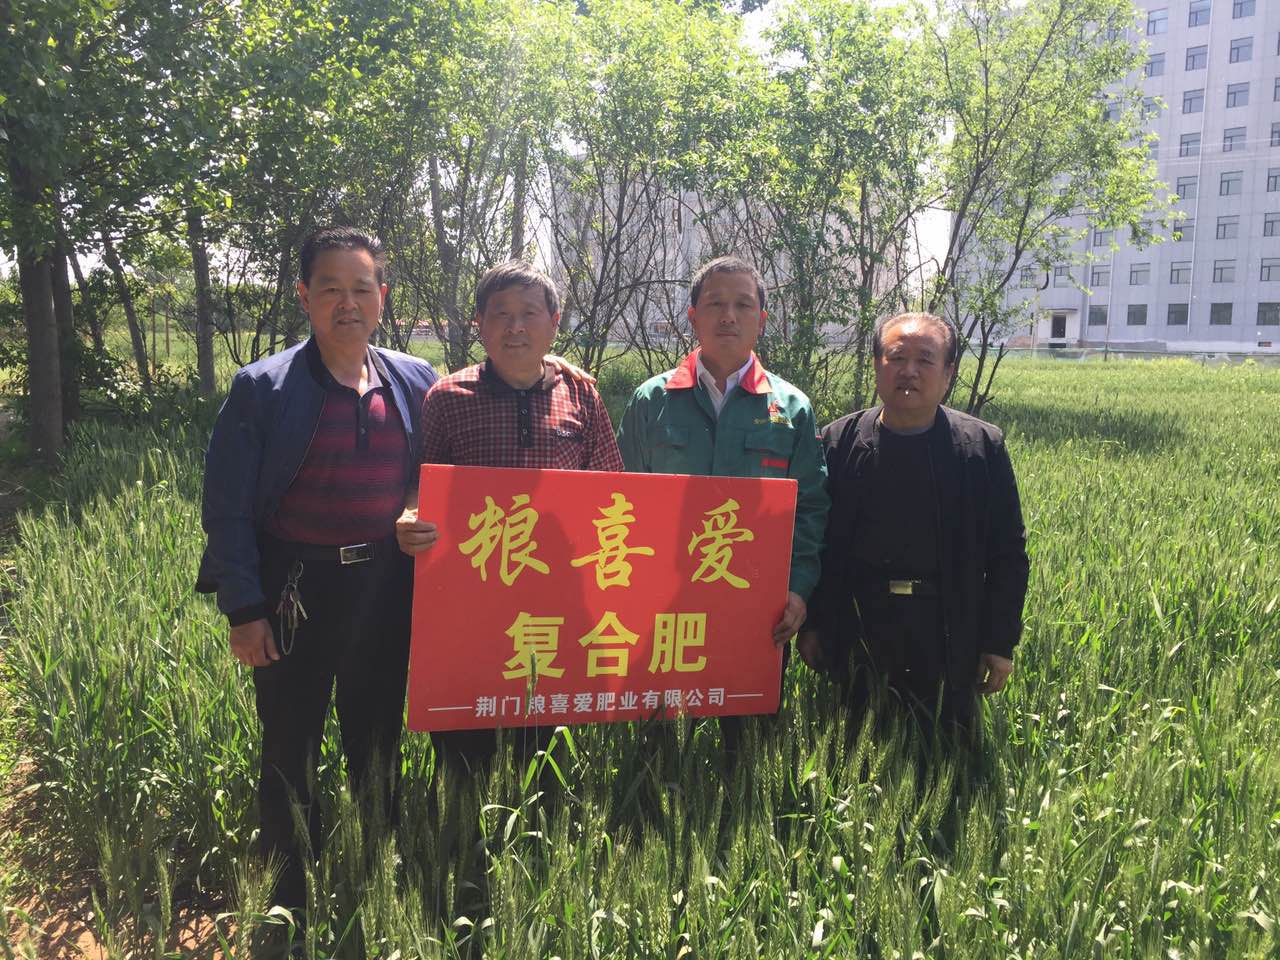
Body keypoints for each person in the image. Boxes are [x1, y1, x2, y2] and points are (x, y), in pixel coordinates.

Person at [196, 226, 439, 911]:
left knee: (378, 742)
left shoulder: (415, 380)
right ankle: (288, 901)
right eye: (330, 288)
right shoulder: (264, 387)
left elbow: (428, 474)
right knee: (290, 747)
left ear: (383, 296)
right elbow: (227, 507)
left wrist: (413, 508)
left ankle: (374, 880)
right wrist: (245, 610)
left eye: (361, 288)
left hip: (382, 590)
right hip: (294, 591)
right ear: (304, 297)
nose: (347, 303)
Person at [395, 259, 625, 769]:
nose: (515, 327)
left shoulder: (581, 394)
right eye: (500, 314)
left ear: (554, 323)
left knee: (545, 748)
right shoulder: (448, 397)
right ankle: (460, 818)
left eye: (529, 313)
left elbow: (611, 491)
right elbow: (421, 484)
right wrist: (412, 517)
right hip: (470, 597)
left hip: (557, 601)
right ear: (479, 323)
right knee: (465, 743)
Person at [614, 255, 830, 748]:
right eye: (715, 304)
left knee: (748, 749)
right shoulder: (652, 401)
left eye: (742, 305)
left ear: (762, 319)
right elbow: (621, 500)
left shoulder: (790, 408)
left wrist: (797, 590)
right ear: (693, 316)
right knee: (660, 747)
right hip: (664, 607)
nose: (728, 316)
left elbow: (810, 509)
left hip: (755, 607)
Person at [799, 311, 1030, 736]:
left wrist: (999, 643)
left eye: (925, 359)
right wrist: (813, 624)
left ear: (948, 373)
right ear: (876, 365)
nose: (909, 371)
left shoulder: (981, 448)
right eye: (896, 357)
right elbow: (814, 541)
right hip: (857, 628)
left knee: (947, 755)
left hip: (949, 631)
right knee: (852, 750)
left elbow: (1008, 553)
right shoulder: (838, 442)